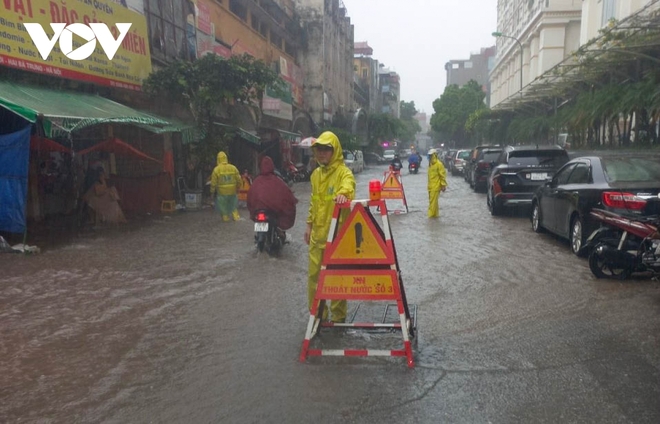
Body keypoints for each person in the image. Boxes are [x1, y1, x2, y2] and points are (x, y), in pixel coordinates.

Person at [305, 131, 356, 323]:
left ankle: (338, 319)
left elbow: (349, 185)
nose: (322, 153)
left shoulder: (344, 172)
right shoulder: (315, 175)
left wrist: (344, 194)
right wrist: (308, 226)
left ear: (334, 151)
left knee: (337, 281)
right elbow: (313, 202)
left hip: (337, 238)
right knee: (313, 280)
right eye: (319, 149)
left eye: (326, 149)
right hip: (318, 237)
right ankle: (318, 317)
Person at [247, 156, 298, 234]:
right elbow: (287, 195)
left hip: (258, 211)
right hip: (271, 212)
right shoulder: (278, 181)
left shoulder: (256, 182)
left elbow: (250, 197)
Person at [210, 151, 242, 221]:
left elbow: (213, 183)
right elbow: (239, 179)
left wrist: (212, 193)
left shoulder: (216, 170)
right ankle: (236, 217)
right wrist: (238, 187)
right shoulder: (233, 168)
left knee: (223, 207)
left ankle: (225, 219)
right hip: (232, 191)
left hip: (222, 193)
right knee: (233, 206)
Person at [427, 148, 448, 218]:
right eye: (429, 155)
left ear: (434, 155)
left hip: (436, 187)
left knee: (432, 203)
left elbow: (442, 175)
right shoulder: (430, 164)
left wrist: (443, 185)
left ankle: (430, 217)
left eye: (431, 155)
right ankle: (435, 216)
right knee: (434, 203)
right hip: (430, 187)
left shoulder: (439, 164)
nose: (429, 157)